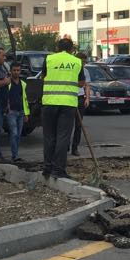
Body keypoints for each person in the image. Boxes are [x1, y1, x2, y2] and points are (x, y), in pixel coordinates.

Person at [40, 38, 85, 180]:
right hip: (68, 104)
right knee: (63, 137)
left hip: (49, 102)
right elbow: (81, 83)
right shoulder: (77, 61)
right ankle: (58, 169)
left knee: (49, 137)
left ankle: (47, 167)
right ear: (72, 49)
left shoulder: (49, 59)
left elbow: (43, 77)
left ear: (57, 48)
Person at [6, 61, 29, 162]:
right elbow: (5, 96)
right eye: (14, 70)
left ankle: (15, 154)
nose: (16, 72)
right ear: (11, 71)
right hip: (11, 112)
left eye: (18, 70)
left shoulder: (23, 84)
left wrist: (26, 113)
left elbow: (25, 99)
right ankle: (14, 156)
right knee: (14, 133)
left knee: (18, 135)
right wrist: (7, 108)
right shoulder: (7, 83)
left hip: (21, 112)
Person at [69, 51, 91, 156]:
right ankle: (65, 147)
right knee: (67, 124)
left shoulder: (85, 71)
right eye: (82, 62)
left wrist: (87, 98)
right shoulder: (71, 69)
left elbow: (87, 85)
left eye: (85, 62)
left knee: (79, 125)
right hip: (69, 98)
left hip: (80, 98)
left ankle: (75, 148)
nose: (84, 64)